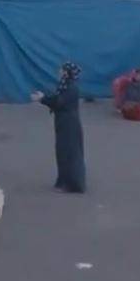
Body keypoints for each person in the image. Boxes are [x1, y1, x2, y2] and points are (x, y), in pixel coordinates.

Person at [32, 62, 85, 194]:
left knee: (68, 153)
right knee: (63, 153)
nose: (59, 71)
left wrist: (42, 99)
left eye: (61, 69)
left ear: (66, 72)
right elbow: (57, 99)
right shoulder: (65, 86)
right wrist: (43, 98)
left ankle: (71, 184)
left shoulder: (71, 88)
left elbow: (58, 102)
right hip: (64, 123)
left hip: (69, 125)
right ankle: (65, 181)